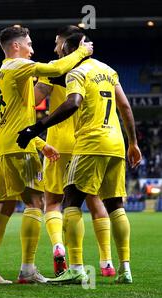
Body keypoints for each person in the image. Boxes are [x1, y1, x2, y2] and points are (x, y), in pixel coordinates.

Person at [17, 32, 141, 284]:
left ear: (70, 50)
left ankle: (74, 266)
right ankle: (121, 266)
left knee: (66, 202)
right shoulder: (109, 70)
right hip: (116, 143)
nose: (57, 52)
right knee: (113, 204)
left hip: (85, 142)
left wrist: (37, 127)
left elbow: (70, 103)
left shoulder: (72, 72)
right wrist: (134, 143)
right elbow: (125, 107)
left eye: (60, 48)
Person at [0, 25, 93, 284]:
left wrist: (40, 143)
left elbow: (17, 119)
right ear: (16, 46)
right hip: (20, 149)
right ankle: (27, 270)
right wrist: (82, 51)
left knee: (4, 205)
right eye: (29, 44)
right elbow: (56, 69)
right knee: (35, 204)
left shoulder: (1, 73)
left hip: (5, 145)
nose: (32, 49)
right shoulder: (17, 66)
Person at [34, 26, 116, 277]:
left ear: (69, 45)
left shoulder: (55, 68)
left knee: (53, 202)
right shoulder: (96, 69)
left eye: (58, 43)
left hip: (57, 143)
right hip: (85, 143)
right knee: (94, 201)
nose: (55, 48)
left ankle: (59, 248)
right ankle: (107, 262)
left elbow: (34, 99)